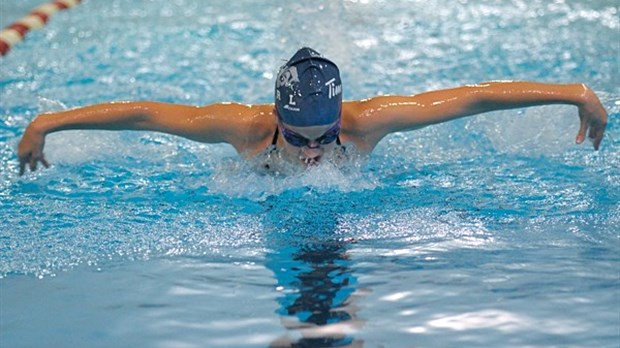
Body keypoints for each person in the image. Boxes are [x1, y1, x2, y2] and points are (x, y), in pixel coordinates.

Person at [17, 47, 608, 175]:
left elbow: (471, 98)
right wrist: (47, 123)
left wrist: (575, 92)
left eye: (321, 139)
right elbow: (147, 113)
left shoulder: (368, 121)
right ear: (274, 120)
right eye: (295, 139)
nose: (311, 153)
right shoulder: (242, 130)